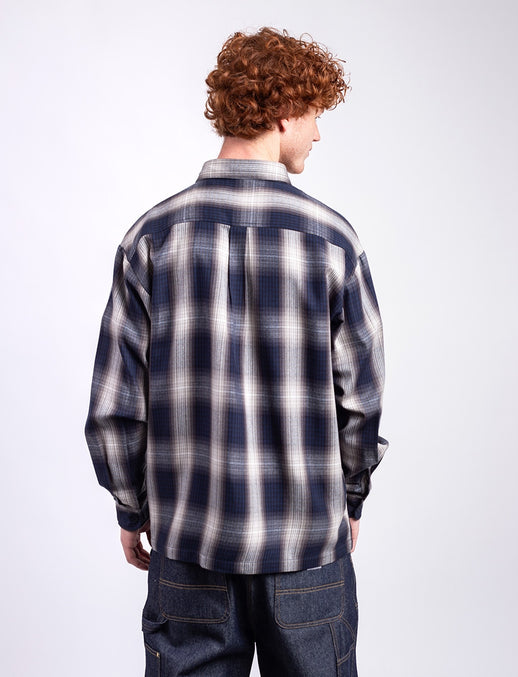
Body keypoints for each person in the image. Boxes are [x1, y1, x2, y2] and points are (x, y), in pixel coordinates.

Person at [85, 26, 388, 677]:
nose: (317, 134)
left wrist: (131, 508)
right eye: (314, 115)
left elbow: (115, 405)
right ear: (283, 111)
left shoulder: (151, 238)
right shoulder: (332, 241)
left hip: (189, 548)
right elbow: (360, 400)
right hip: (306, 553)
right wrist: (351, 496)